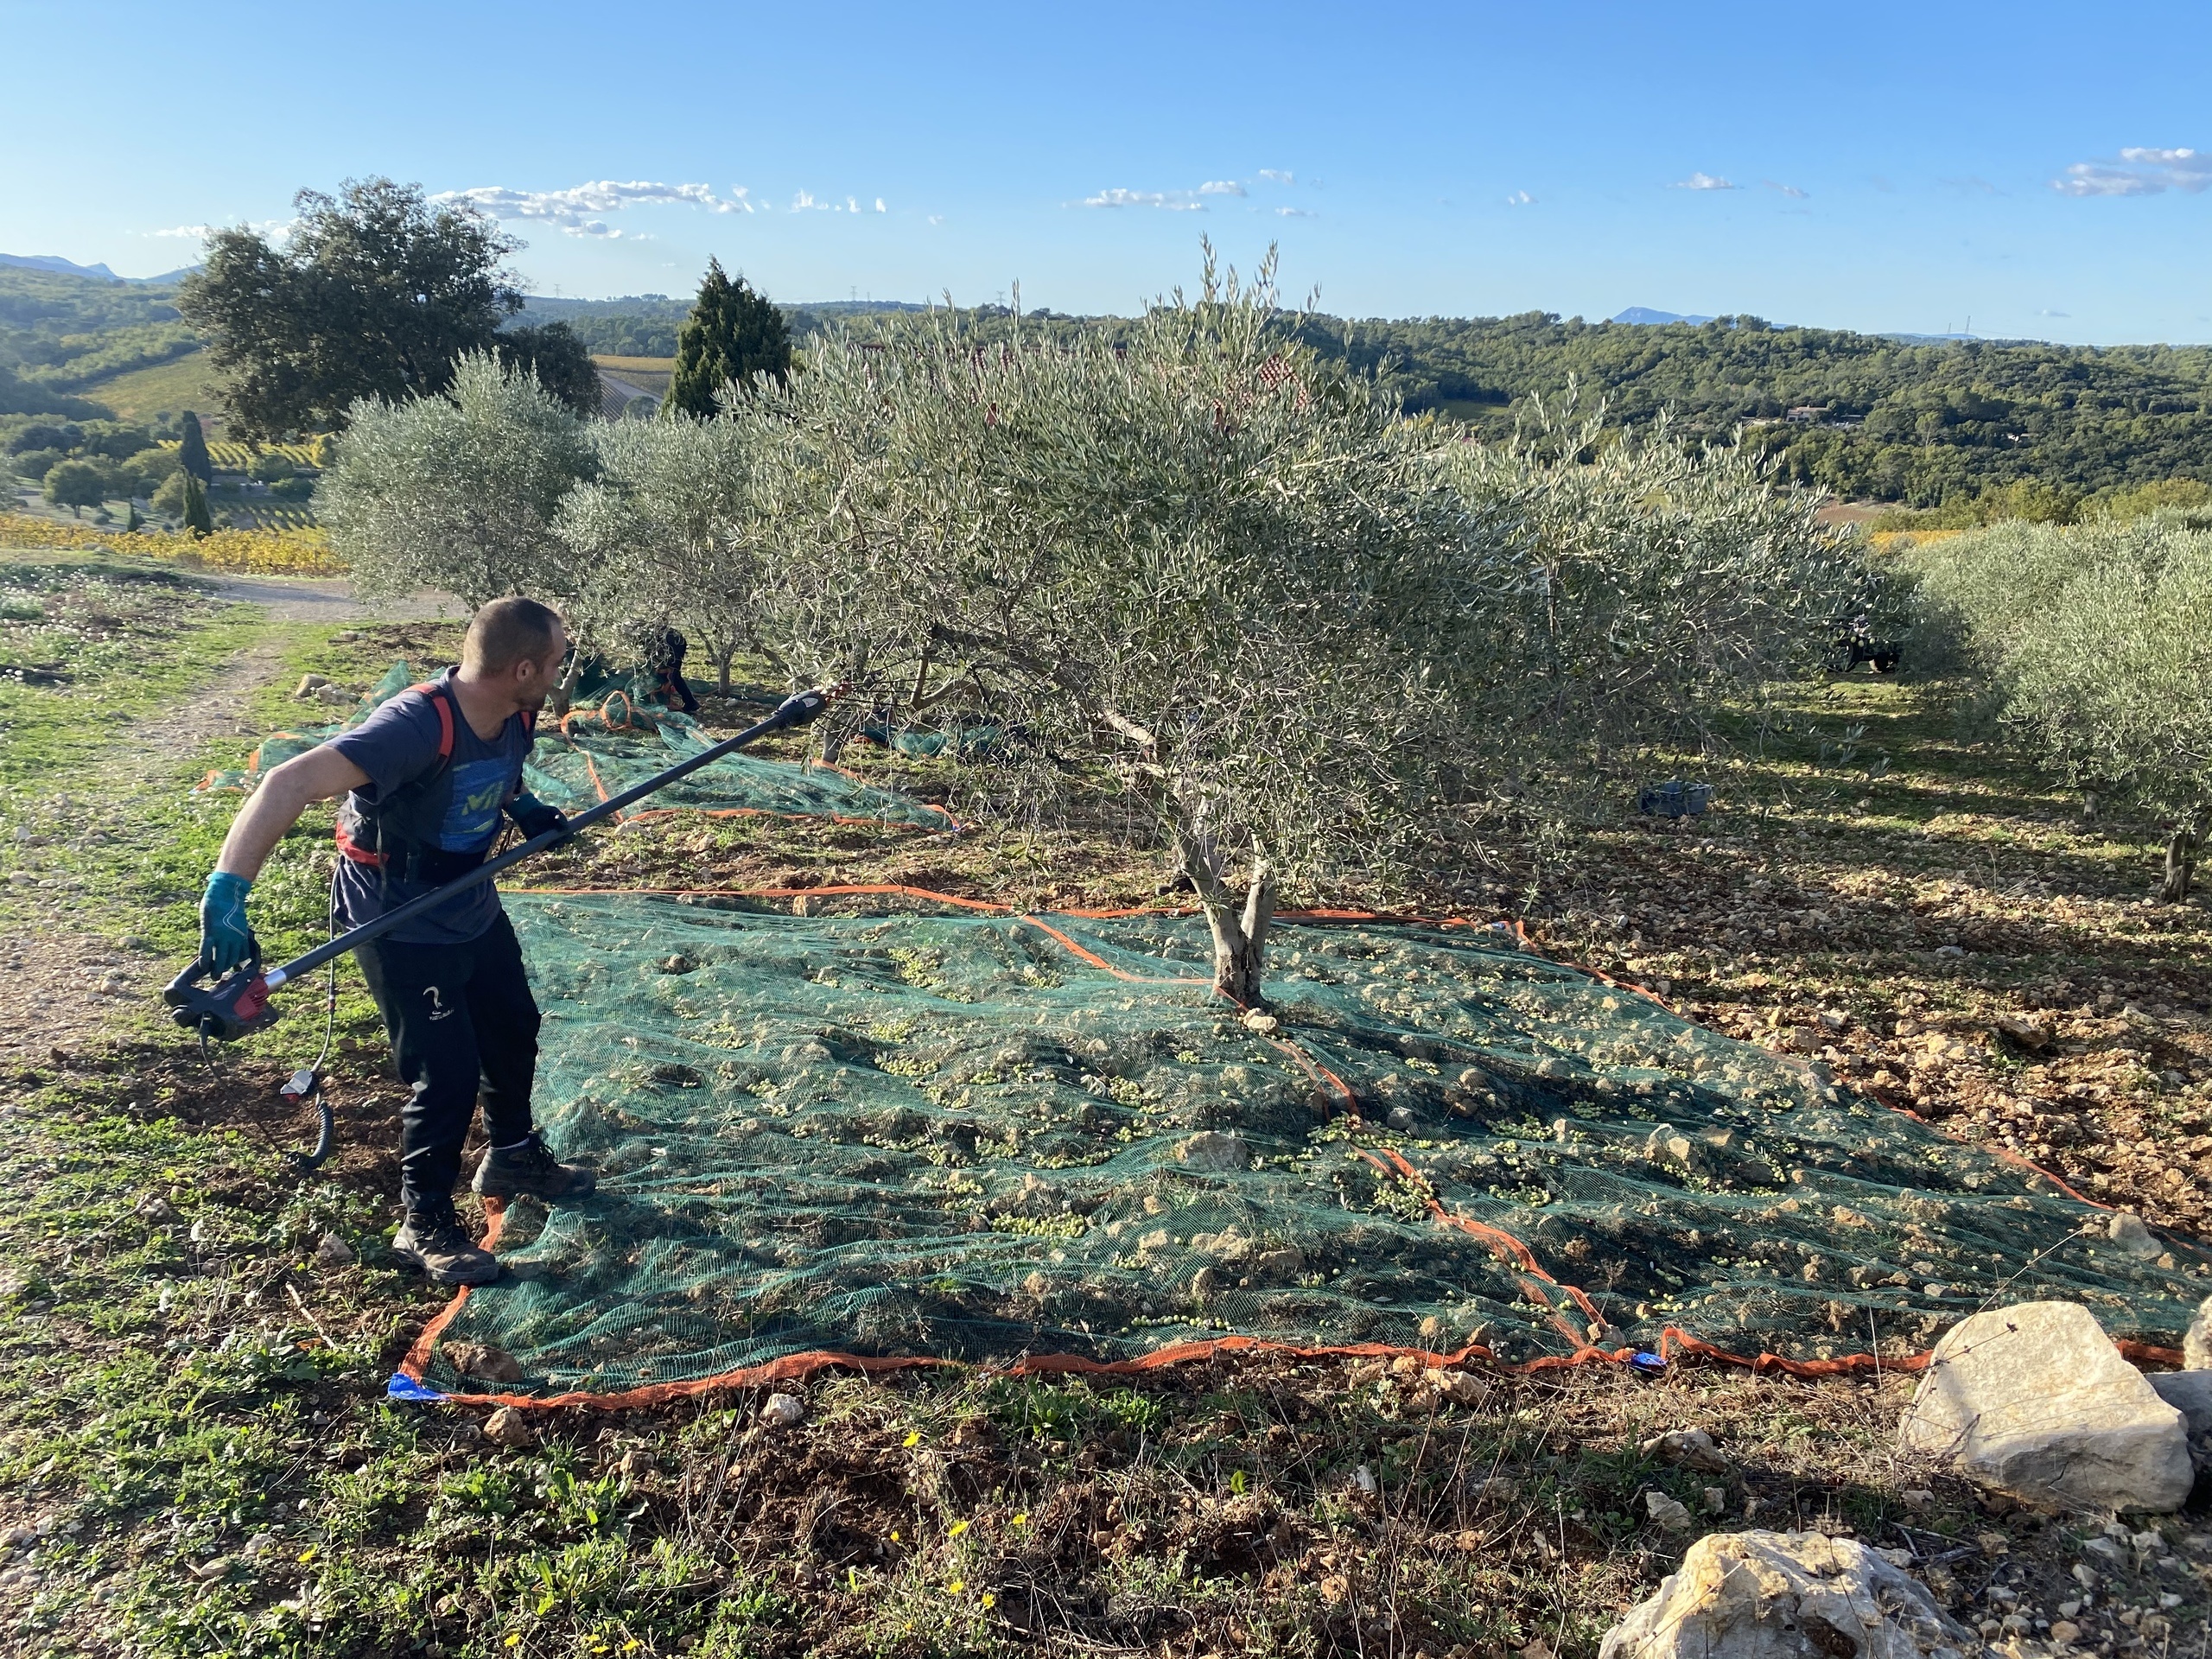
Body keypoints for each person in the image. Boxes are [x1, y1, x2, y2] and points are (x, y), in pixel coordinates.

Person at [196, 597, 596, 1285]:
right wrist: (229, 888)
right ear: (523, 667)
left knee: (511, 1024)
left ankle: (513, 1153)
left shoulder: (514, 709)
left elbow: (497, 771)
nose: (561, 676)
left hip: (466, 897)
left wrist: (522, 807)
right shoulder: (413, 726)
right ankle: (425, 1222)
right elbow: (287, 781)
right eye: (557, 662)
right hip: (399, 917)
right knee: (443, 1071)